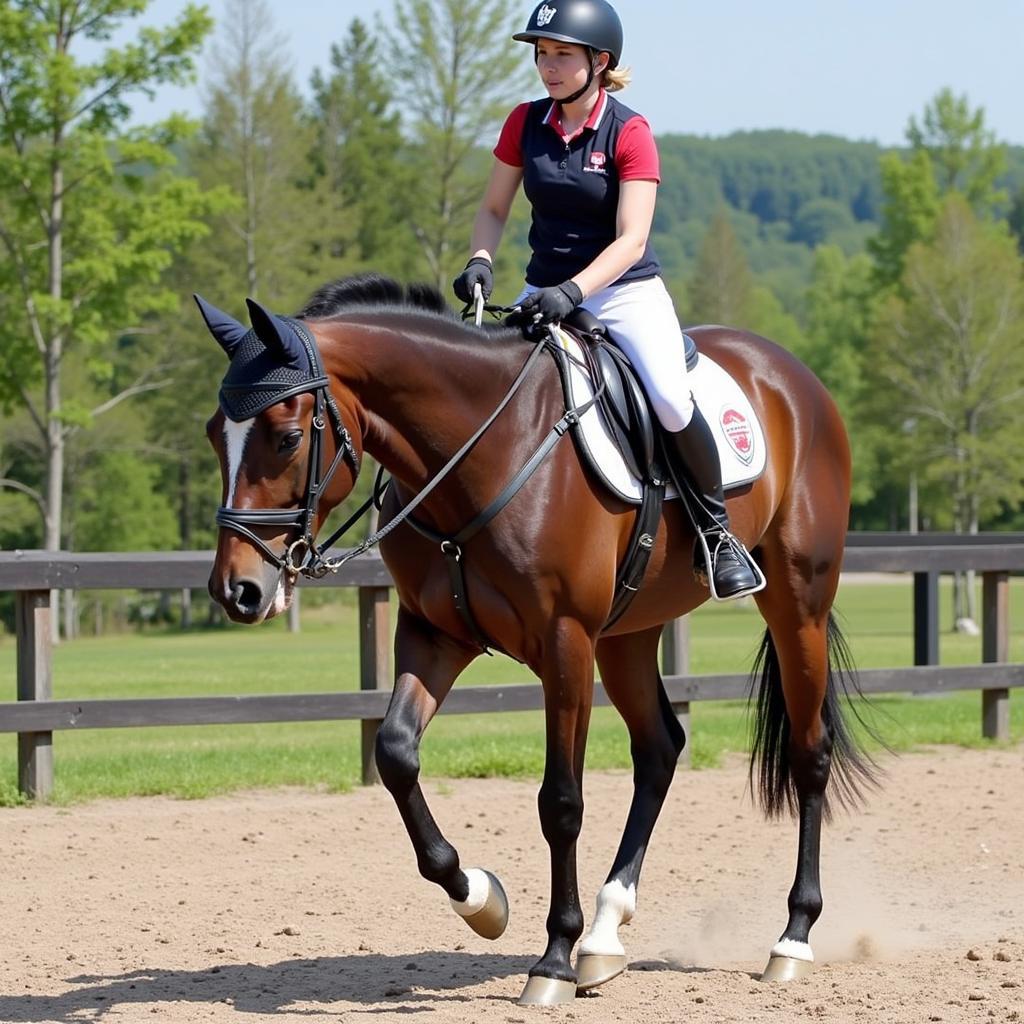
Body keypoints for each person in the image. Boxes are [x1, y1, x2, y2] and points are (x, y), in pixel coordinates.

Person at [453, 0, 761, 600]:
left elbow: (632, 238)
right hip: (545, 291)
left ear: (601, 61)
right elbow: (494, 209)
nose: (548, 67)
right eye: (542, 54)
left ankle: (717, 535)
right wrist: (481, 261)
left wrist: (575, 290)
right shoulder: (524, 122)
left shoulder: (630, 131)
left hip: (624, 293)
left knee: (671, 400)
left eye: (562, 54)